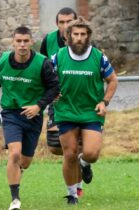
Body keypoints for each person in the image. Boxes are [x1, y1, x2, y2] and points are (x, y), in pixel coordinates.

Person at [0, 26, 59, 210]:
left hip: (33, 116)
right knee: (14, 153)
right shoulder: (2, 61)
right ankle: (15, 199)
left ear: (31, 42)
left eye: (26, 41)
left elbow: (54, 88)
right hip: (11, 114)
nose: (22, 45)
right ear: (13, 42)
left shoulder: (43, 63)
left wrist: (38, 106)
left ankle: (17, 173)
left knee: (24, 162)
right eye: (18, 41)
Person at [53, 17, 118, 204]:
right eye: (76, 34)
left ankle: (85, 163)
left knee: (91, 153)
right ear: (69, 36)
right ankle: (72, 194)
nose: (79, 38)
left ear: (88, 36)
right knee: (69, 154)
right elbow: (47, 79)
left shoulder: (98, 57)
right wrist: (52, 93)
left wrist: (104, 101)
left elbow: (113, 80)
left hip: (91, 112)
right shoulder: (59, 56)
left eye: (83, 34)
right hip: (66, 111)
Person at [40, 7, 89, 196]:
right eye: (62, 22)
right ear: (57, 24)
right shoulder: (49, 41)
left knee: (79, 148)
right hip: (58, 101)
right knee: (55, 146)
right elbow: (43, 68)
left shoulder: (84, 39)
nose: (66, 25)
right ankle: (80, 164)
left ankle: (77, 188)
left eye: (70, 21)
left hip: (82, 102)